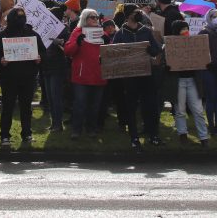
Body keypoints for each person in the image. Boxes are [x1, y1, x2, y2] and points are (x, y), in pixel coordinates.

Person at [0, 7, 45, 147]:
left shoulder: (32, 34)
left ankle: (27, 133)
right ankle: (5, 136)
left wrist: (40, 58)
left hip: (28, 78)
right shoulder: (2, 35)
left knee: (26, 108)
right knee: (7, 107)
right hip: (9, 78)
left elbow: (43, 52)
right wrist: (0, 60)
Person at [111, 9, 163, 148]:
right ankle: (134, 137)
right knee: (131, 108)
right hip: (130, 78)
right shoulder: (120, 34)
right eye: (134, 12)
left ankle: (153, 135)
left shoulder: (146, 31)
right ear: (128, 16)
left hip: (147, 75)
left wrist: (149, 50)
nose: (138, 14)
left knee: (150, 106)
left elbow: (157, 50)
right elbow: (112, 53)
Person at [64, 8, 107, 139]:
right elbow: (68, 51)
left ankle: (91, 129)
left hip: (98, 74)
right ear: (85, 19)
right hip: (82, 76)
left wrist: (108, 41)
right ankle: (76, 130)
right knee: (80, 104)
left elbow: (112, 52)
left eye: (96, 17)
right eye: (92, 17)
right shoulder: (77, 32)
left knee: (95, 106)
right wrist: (77, 43)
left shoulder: (102, 33)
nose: (95, 19)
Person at [166, 19, 209, 146]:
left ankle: (203, 136)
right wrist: (167, 66)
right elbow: (164, 61)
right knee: (180, 110)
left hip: (192, 81)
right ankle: (182, 133)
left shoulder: (193, 43)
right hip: (178, 81)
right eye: (182, 29)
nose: (186, 32)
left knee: (198, 109)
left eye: (187, 29)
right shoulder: (169, 45)